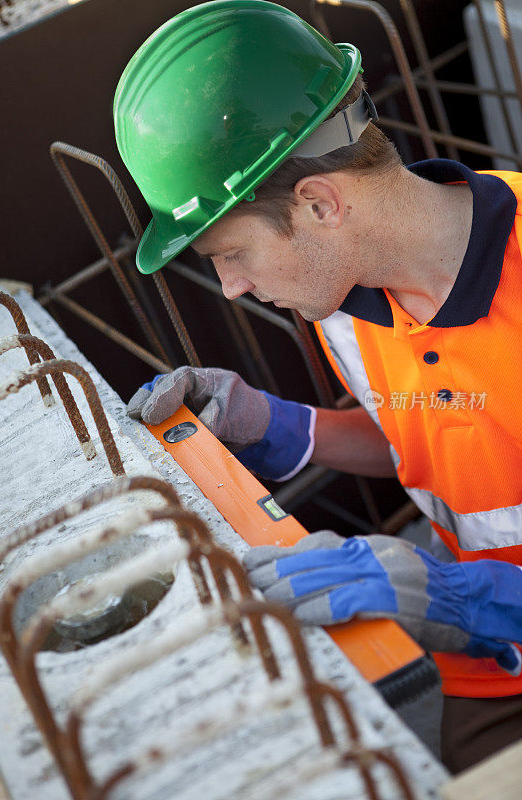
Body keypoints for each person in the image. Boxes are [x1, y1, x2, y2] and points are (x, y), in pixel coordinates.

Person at [114, 0, 522, 772]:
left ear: (318, 204)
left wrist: (465, 598)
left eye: (228, 254)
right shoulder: (347, 303)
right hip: (485, 668)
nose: (230, 288)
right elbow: (440, 433)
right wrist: (275, 425)